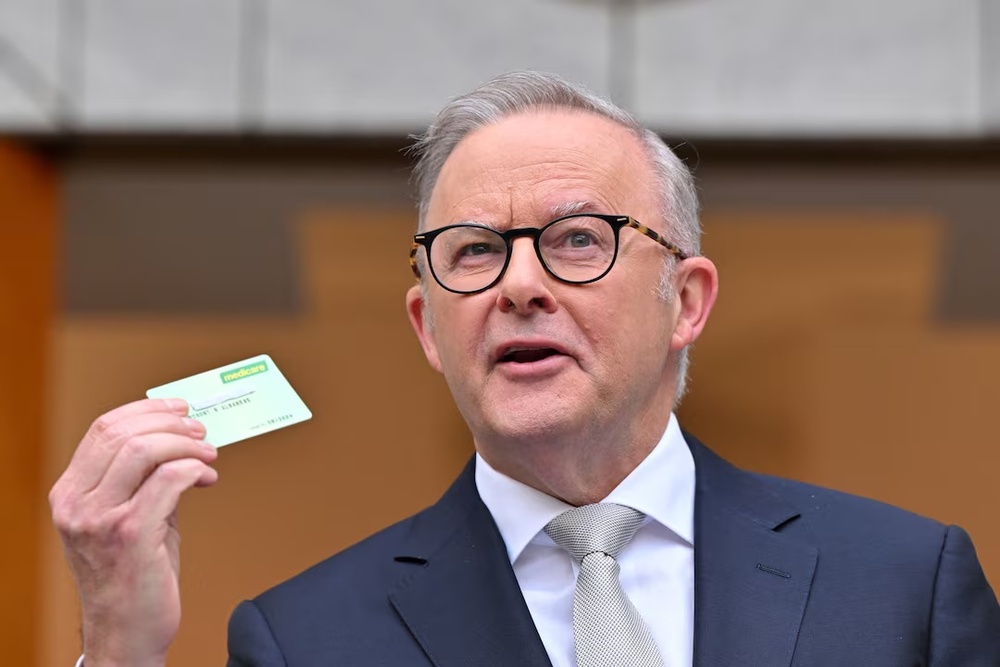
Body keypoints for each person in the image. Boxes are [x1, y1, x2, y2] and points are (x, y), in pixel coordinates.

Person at [50, 71, 999, 667]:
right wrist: (123, 647)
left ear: (689, 299)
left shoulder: (902, 584)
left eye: (578, 239)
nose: (520, 285)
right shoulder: (306, 638)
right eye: (472, 252)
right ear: (428, 325)